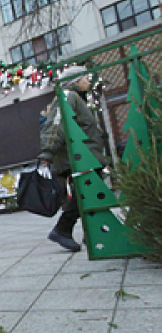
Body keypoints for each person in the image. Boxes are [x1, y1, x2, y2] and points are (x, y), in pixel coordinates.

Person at [40, 66, 110, 252]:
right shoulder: (68, 96)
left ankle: (94, 232)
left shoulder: (77, 98)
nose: (88, 80)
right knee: (86, 194)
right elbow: (56, 123)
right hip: (80, 157)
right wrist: (48, 150)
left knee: (92, 194)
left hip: (87, 156)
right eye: (85, 78)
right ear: (75, 81)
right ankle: (62, 229)